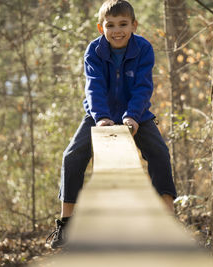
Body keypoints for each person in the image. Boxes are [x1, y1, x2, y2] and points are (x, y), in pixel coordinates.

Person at [46, 0, 177, 249]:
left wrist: (133, 116)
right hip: (99, 114)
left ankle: (168, 218)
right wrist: (101, 117)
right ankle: (66, 223)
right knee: (71, 156)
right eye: (111, 25)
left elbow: (142, 87)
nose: (117, 30)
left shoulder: (144, 49)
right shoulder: (93, 51)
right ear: (101, 28)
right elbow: (93, 86)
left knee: (160, 152)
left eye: (123, 24)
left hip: (137, 114)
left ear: (134, 25)